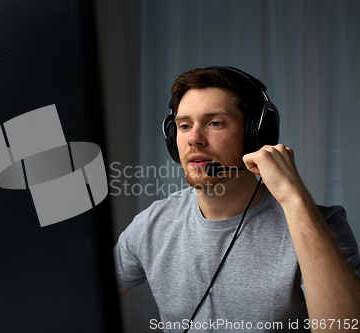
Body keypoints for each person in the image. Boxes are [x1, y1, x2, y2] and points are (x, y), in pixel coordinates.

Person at [113, 66, 360, 332]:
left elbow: (345, 327)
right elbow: (78, 296)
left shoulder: (321, 225)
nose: (194, 139)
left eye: (214, 123)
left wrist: (293, 196)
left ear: (255, 134)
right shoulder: (153, 224)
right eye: (184, 126)